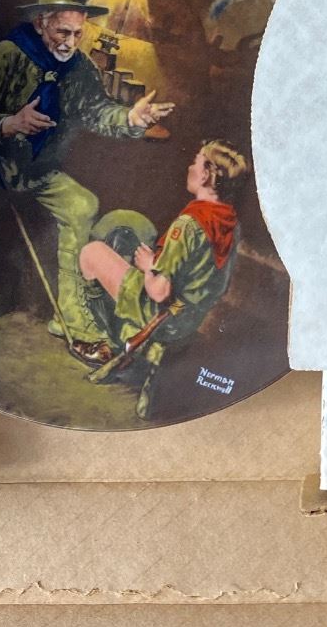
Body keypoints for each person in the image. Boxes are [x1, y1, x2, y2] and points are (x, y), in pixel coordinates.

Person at [0, 0, 175, 351]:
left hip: (37, 170)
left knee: (82, 205)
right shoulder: (3, 56)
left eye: (77, 33)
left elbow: (97, 111)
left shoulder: (80, 69)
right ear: (41, 22)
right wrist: (8, 123)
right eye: (62, 32)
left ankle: (71, 314)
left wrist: (130, 118)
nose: (70, 43)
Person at [78, 140, 248, 418]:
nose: (190, 167)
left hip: (160, 314)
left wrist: (149, 267)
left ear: (206, 175)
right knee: (126, 248)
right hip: (190, 316)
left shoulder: (188, 225)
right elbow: (217, 283)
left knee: (91, 253)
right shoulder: (231, 223)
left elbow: (158, 291)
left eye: (195, 162)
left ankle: (104, 341)